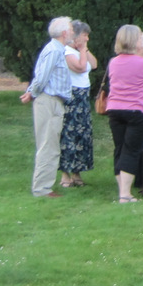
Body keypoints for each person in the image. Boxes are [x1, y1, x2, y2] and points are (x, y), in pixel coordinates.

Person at [104, 25, 143, 203]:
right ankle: (125, 194)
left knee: (119, 148)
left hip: (114, 109)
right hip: (137, 110)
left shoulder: (113, 62)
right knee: (132, 150)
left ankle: (123, 190)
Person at [20, 17, 74, 198]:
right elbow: (42, 76)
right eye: (71, 29)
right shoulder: (54, 51)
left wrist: (31, 91)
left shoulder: (57, 49)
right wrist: (32, 92)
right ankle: (42, 189)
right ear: (64, 33)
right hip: (49, 100)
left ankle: (44, 186)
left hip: (54, 100)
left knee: (51, 144)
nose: (73, 33)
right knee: (47, 145)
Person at [59, 20, 96, 188]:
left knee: (82, 135)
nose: (87, 38)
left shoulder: (81, 50)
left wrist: (84, 49)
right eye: (84, 35)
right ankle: (65, 174)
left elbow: (93, 65)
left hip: (83, 97)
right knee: (69, 134)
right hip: (72, 98)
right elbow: (81, 67)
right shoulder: (67, 52)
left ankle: (77, 172)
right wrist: (81, 50)